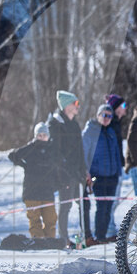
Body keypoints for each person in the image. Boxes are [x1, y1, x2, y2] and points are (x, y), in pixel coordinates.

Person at [48, 90, 89, 245]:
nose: (78, 106)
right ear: (66, 106)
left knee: (83, 204)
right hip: (64, 173)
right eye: (75, 103)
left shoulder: (75, 124)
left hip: (77, 172)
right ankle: (63, 238)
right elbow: (55, 153)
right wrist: (65, 170)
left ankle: (85, 236)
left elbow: (80, 151)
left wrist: (84, 170)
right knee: (65, 205)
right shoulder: (55, 123)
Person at [81, 104, 124, 244]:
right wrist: (86, 172)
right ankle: (99, 236)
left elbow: (116, 153)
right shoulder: (90, 131)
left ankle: (103, 235)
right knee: (101, 207)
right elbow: (83, 153)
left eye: (109, 116)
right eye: (104, 115)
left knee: (109, 207)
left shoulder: (111, 131)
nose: (106, 118)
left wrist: (118, 171)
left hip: (112, 175)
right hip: (97, 176)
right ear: (98, 115)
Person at [9, 123, 59, 238]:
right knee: (34, 220)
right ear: (35, 136)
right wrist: (24, 165)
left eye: (44, 135)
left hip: (47, 192)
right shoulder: (30, 148)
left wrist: (58, 184)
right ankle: (38, 242)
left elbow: (58, 167)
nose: (42, 138)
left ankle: (51, 243)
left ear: (48, 136)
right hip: (31, 192)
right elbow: (12, 155)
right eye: (39, 135)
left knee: (50, 220)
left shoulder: (51, 151)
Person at [103, 93, 127, 240]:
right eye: (123, 106)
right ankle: (108, 231)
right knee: (109, 201)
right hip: (109, 169)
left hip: (117, 167)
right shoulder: (109, 122)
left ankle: (110, 229)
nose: (125, 109)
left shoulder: (117, 122)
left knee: (114, 200)